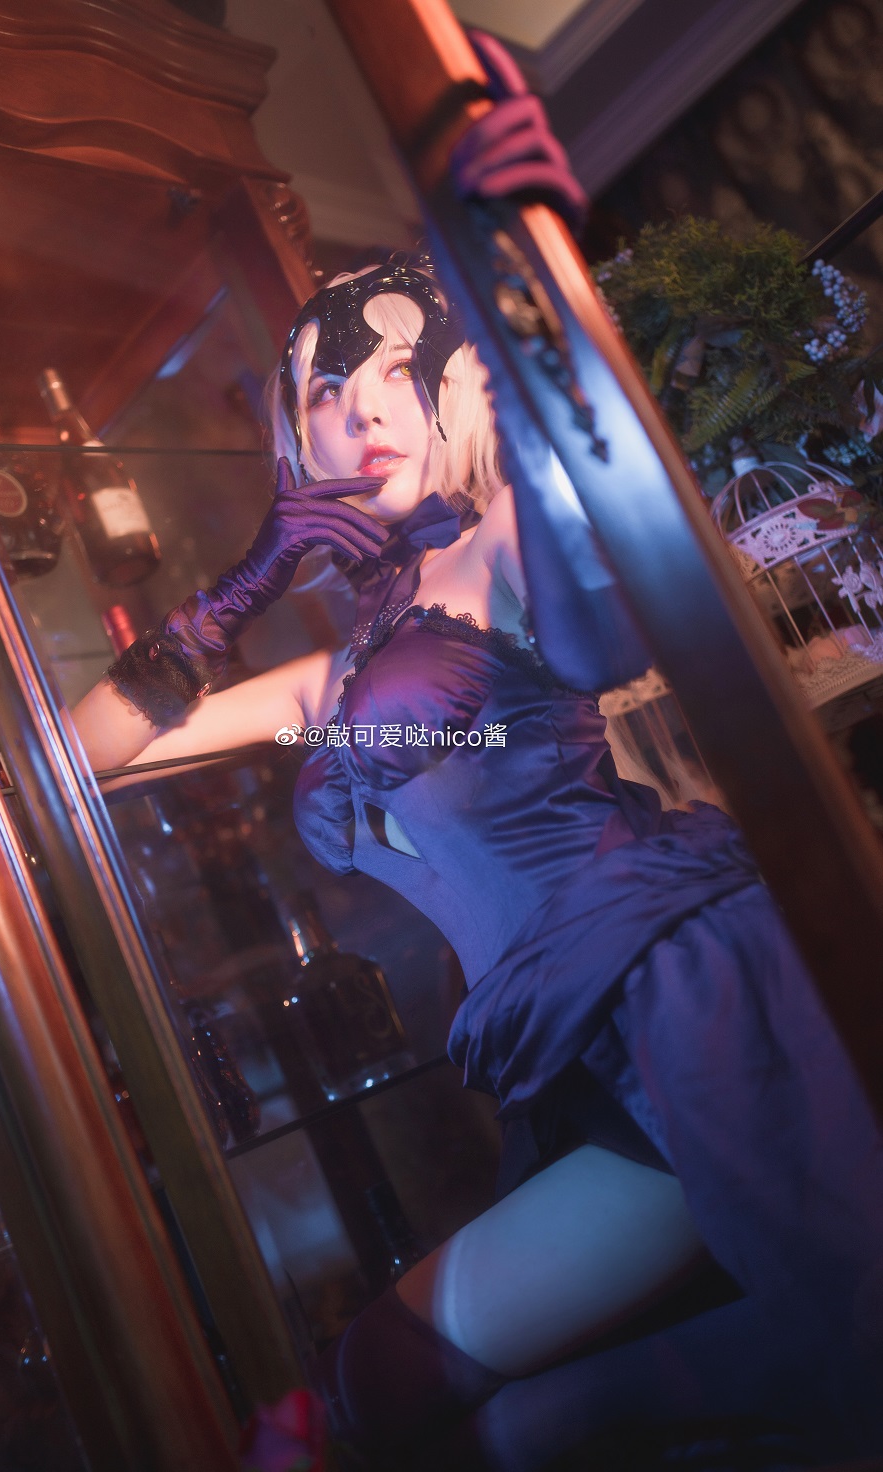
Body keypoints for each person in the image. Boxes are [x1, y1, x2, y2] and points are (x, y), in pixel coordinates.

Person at [72, 33, 883, 1472]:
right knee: (443, 1397)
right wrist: (247, 578)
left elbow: (590, 629)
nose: (363, 408)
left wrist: (522, 299)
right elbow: (83, 759)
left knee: (816, 1353)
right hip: (576, 1050)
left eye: (398, 367)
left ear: (454, 391)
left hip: (683, 982)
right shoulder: (349, 666)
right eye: (325, 393)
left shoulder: (508, 534)